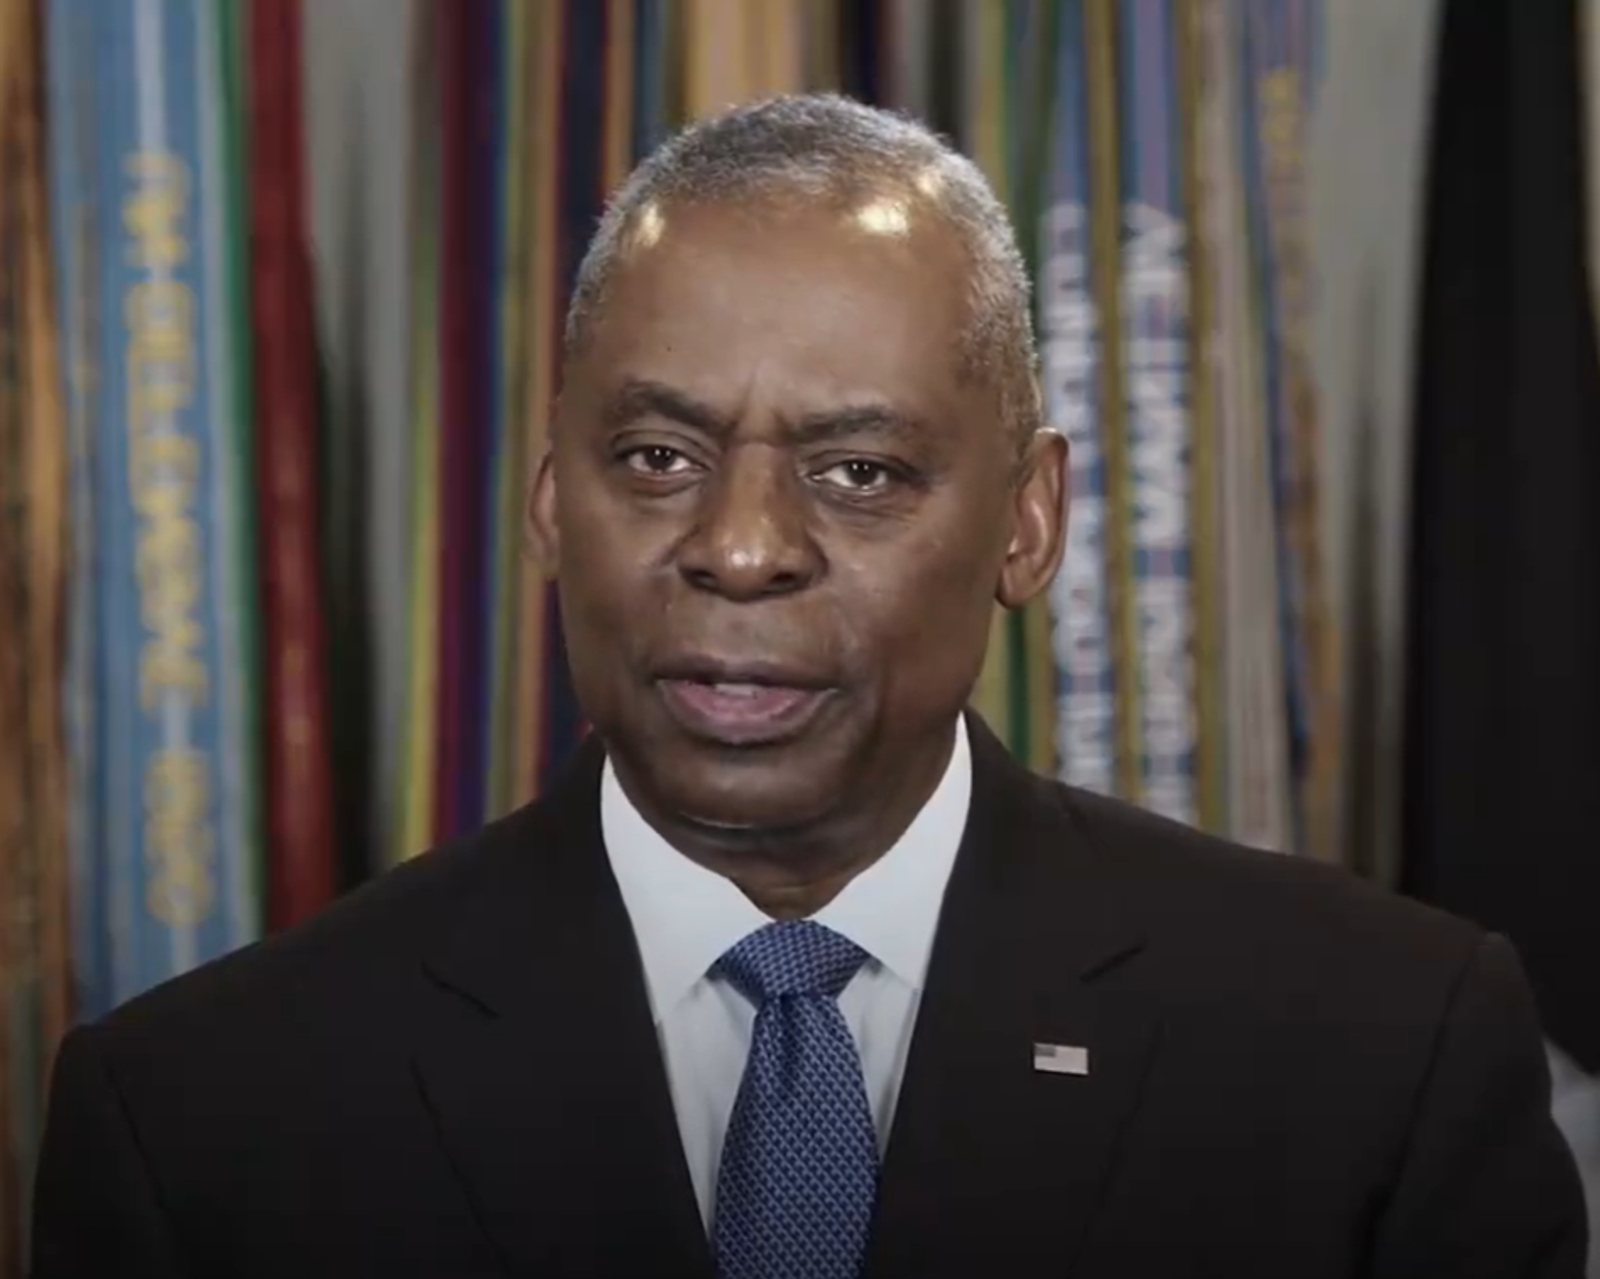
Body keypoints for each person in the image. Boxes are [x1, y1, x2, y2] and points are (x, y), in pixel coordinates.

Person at [30, 94, 1587, 1279]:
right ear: (551, 502)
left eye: (858, 470)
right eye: (659, 456)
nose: (742, 547)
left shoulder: (1383, 1058)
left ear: (1028, 520)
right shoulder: (200, 1120)